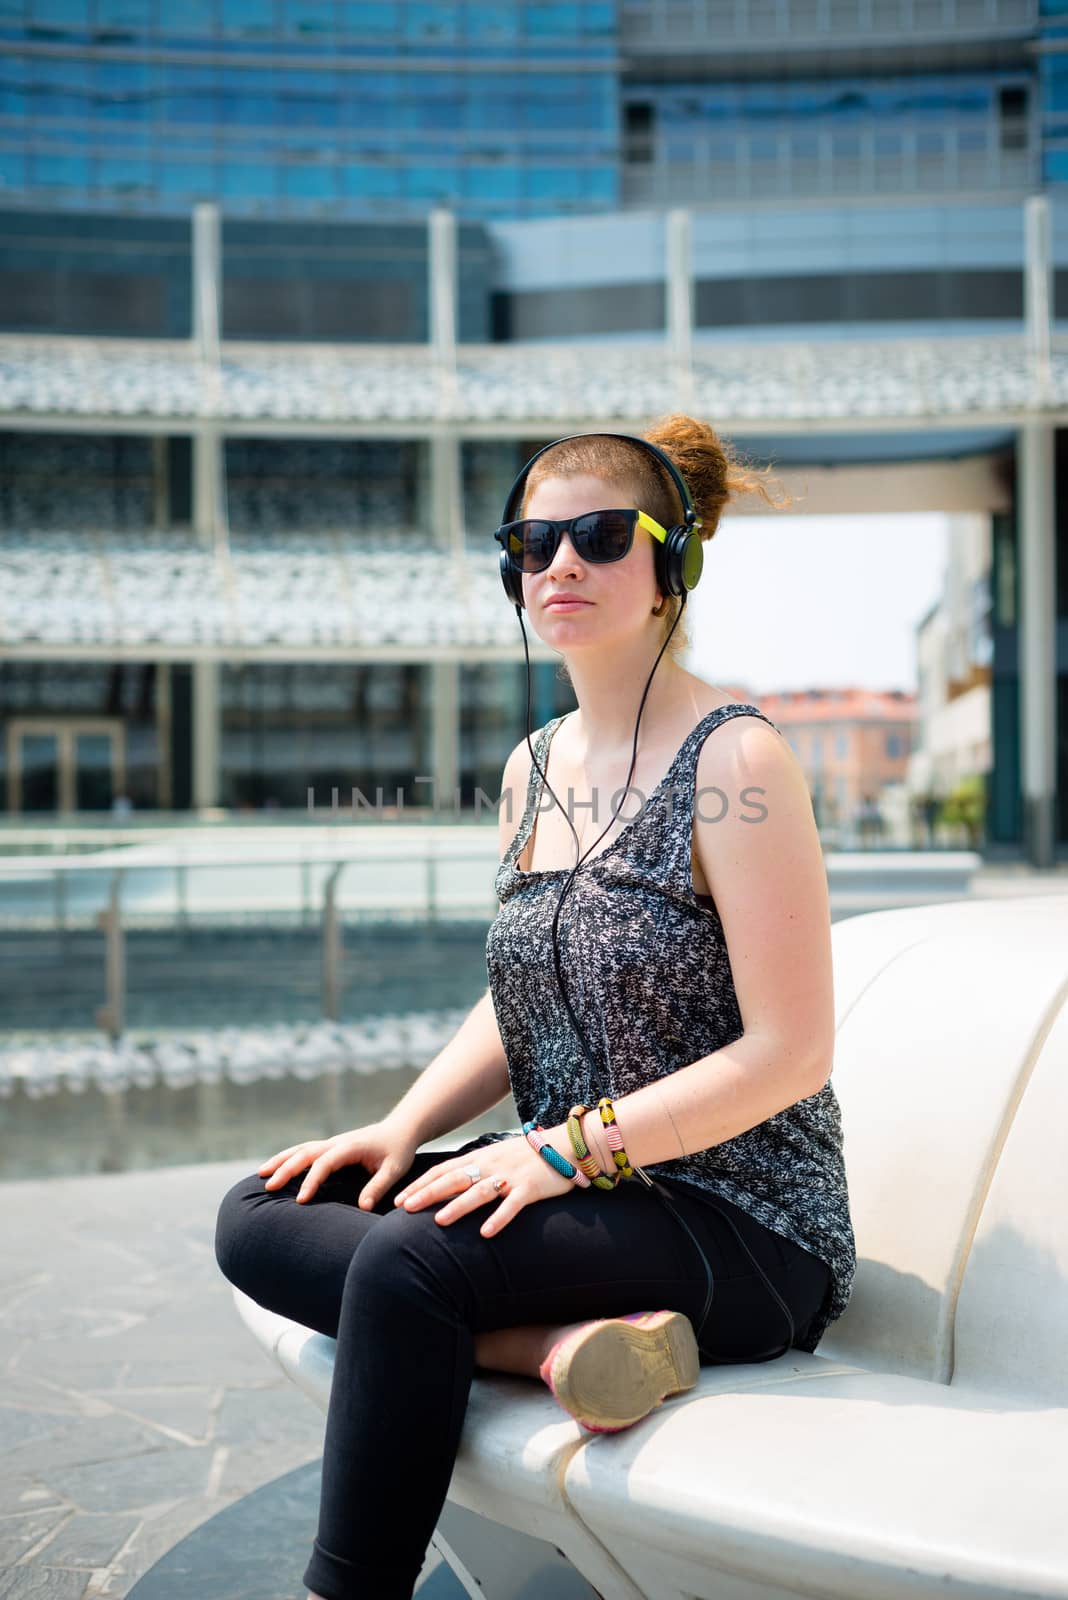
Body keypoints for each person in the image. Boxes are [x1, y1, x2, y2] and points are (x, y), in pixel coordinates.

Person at [213, 415, 857, 1600]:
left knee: (407, 1267)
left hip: (739, 1212)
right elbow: (523, 996)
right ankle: (560, 1347)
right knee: (260, 1211)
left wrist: (566, 1149)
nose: (558, 563)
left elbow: (791, 1050)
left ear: (674, 568)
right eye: (533, 539)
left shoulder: (737, 759)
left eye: (601, 536)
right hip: (573, 1185)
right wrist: (399, 1129)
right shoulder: (534, 764)